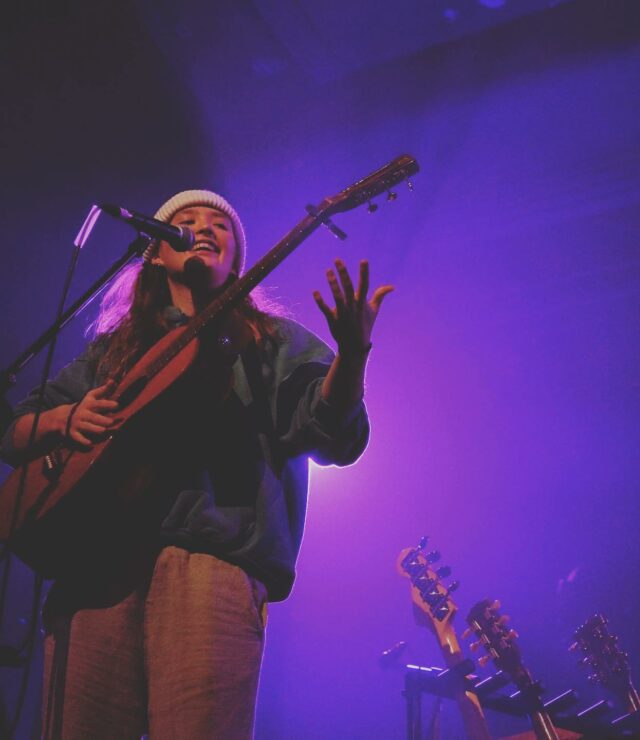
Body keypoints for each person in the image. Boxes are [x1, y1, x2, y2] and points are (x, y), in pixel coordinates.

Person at [0, 189, 393, 739]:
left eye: (221, 224)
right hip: (94, 567)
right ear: (156, 253)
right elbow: (15, 431)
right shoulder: (112, 351)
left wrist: (351, 355)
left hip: (209, 564)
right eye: (186, 220)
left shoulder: (269, 340)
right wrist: (65, 419)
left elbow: (333, 434)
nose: (204, 227)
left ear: (237, 261)